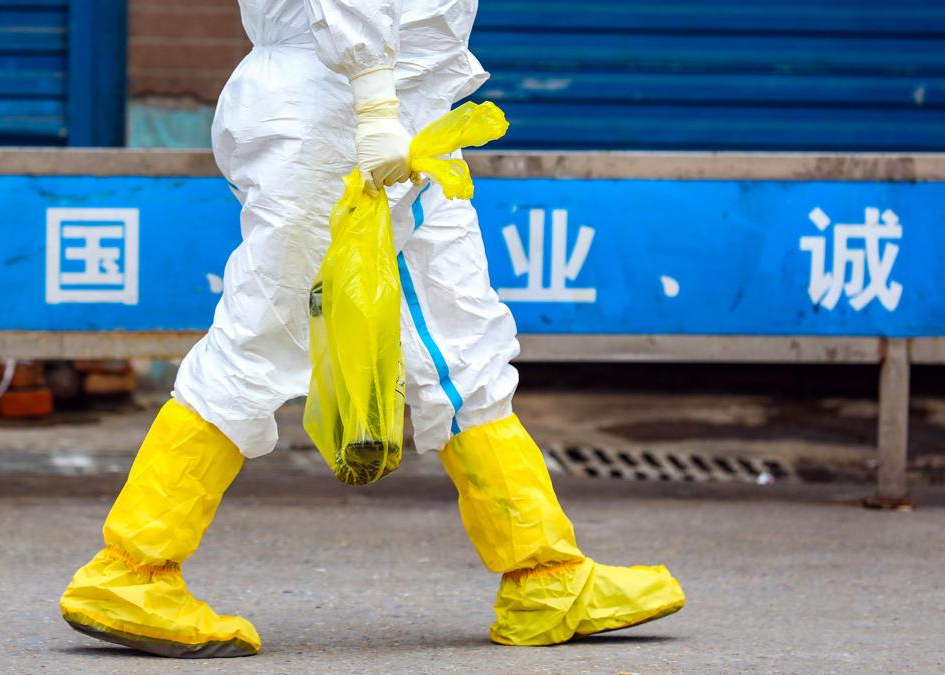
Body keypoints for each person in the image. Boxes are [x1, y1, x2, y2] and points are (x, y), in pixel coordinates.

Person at [59, 0, 684, 657]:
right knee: (264, 335)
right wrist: (374, 104)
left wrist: (385, 106)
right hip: (344, 110)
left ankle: (543, 572)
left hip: (391, 110)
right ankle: (132, 567)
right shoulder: (357, 91)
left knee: (459, 337)